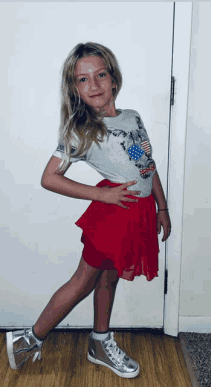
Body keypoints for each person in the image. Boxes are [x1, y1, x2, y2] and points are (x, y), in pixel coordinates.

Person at [6, 42, 171, 378]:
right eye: (83, 79)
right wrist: (100, 194)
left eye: (100, 75)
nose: (93, 84)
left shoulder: (132, 117)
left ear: (113, 79)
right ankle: (30, 337)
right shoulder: (81, 129)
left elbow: (146, 167)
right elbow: (49, 178)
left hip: (137, 214)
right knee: (83, 282)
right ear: (75, 89)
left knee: (109, 279)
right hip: (112, 215)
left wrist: (161, 206)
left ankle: (99, 341)